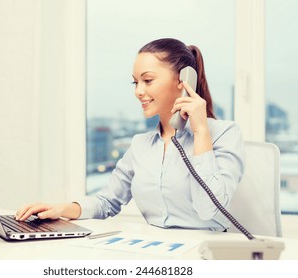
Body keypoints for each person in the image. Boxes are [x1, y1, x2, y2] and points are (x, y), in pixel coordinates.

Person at [15, 38, 245, 231]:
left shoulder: (224, 134)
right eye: (135, 82)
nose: (138, 91)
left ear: (183, 81)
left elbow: (208, 209)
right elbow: (107, 202)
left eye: (147, 80)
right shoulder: (141, 145)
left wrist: (201, 130)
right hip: (155, 255)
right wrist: (60, 209)